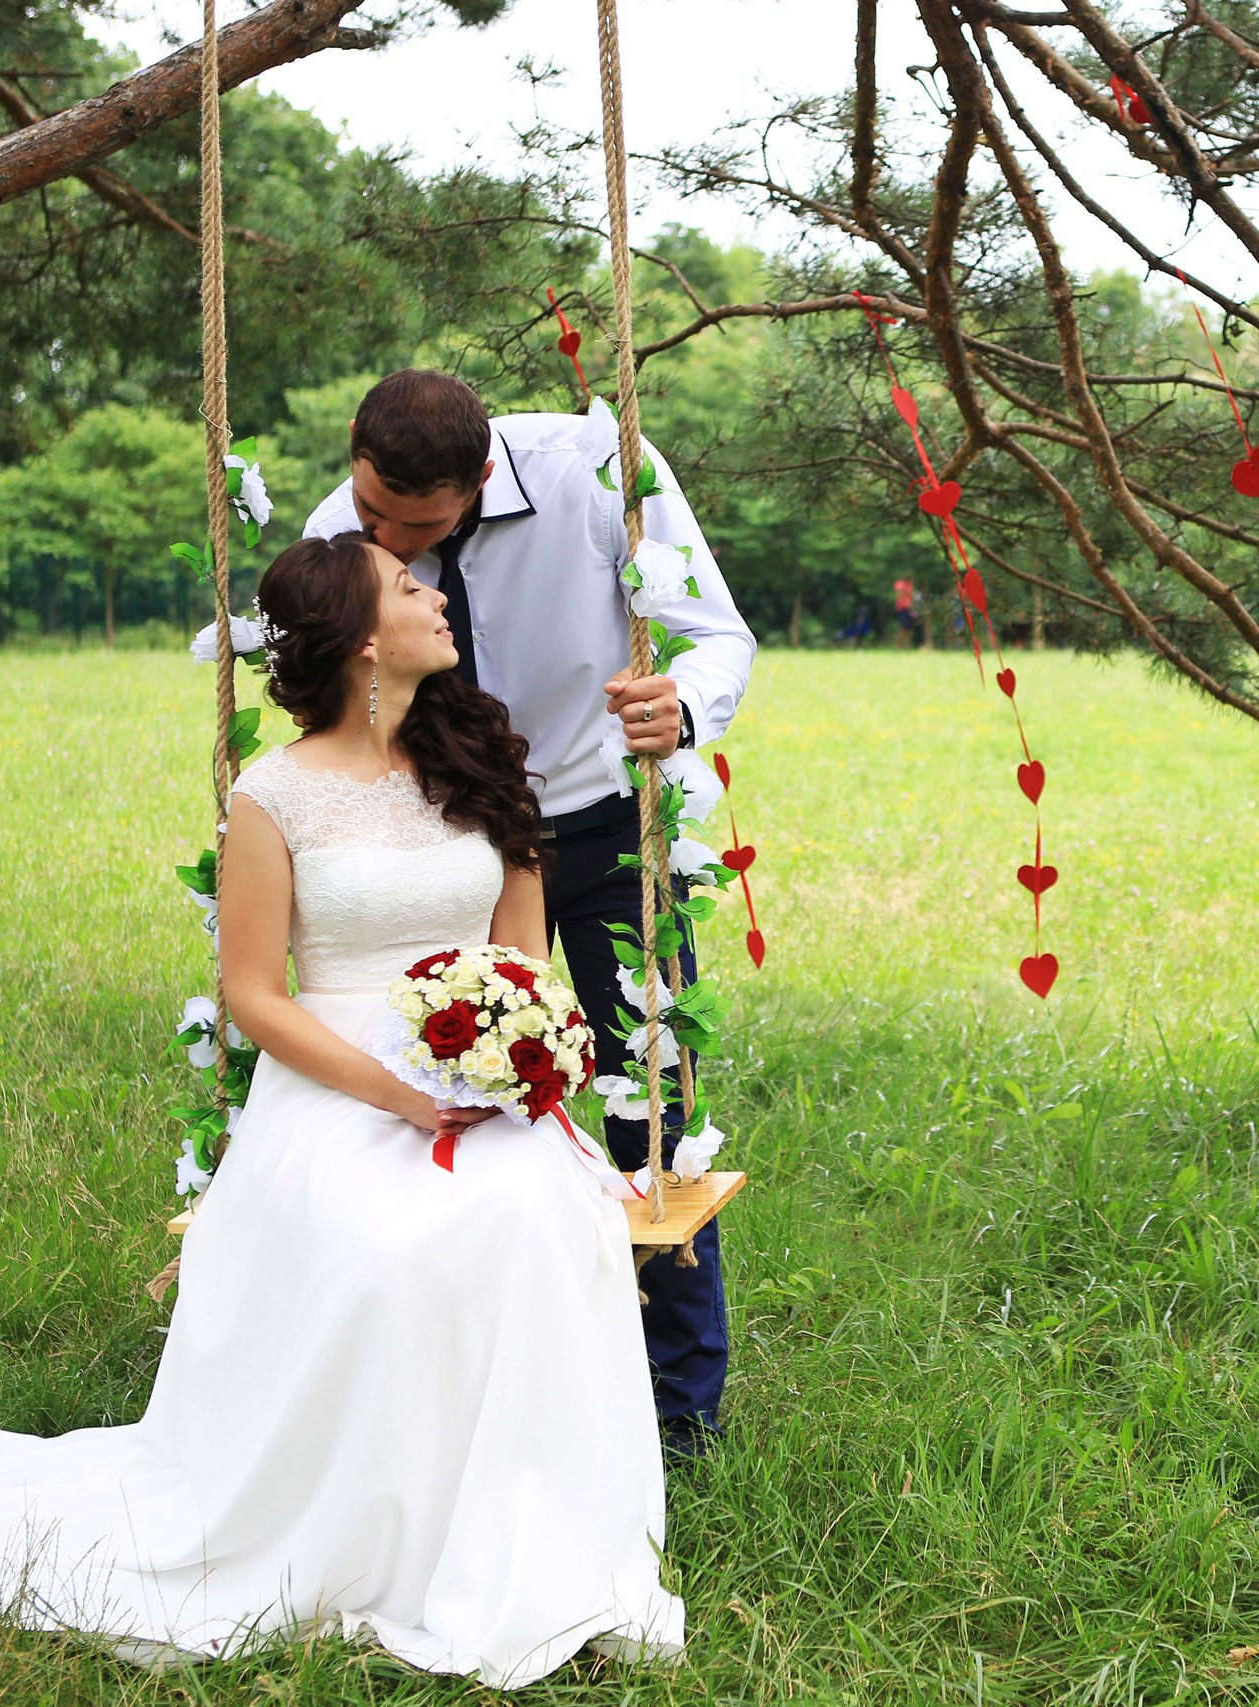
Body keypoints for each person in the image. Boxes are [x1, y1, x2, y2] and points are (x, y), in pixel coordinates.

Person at [0, 533, 682, 1686]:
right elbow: (250, 992)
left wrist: (527, 1053)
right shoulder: (273, 792)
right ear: (357, 637)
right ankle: (360, 1531)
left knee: (541, 1225)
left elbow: (522, 957)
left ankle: (520, 1526)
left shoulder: (485, 764)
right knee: (389, 1249)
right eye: (407, 587)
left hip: (485, 1082)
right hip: (337, 1079)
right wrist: (392, 1089)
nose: (436, 596)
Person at [301, 371, 755, 1455]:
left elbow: (715, 632)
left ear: (479, 481)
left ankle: (676, 1407)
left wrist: (680, 704)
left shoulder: (600, 476)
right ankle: (458, 1384)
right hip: (444, 840)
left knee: (648, 1102)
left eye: (418, 528)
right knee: (447, 1097)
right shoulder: (339, 528)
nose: (389, 547)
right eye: (373, 516)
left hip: (595, 825)